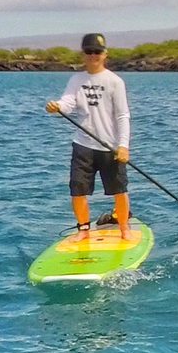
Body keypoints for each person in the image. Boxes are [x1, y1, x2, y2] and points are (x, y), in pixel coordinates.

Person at [44, 33, 134, 242]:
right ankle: (83, 229)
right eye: (89, 52)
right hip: (83, 145)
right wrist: (57, 106)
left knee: (119, 189)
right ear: (83, 54)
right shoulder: (76, 80)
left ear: (105, 54)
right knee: (77, 189)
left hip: (110, 146)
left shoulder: (115, 81)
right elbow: (67, 103)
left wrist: (123, 146)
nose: (93, 55)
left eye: (97, 52)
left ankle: (124, 228)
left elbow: (123, 115)